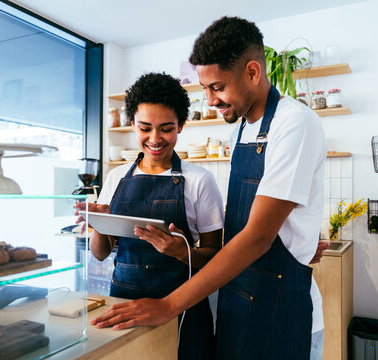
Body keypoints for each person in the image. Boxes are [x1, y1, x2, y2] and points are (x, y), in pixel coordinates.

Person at [91, 16, 328, 360]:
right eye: (205, 88)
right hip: (238, 300)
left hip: (280, 306)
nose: (210, 100)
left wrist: (169, 304)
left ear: (252, 72)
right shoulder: (242, 130)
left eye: (217, 87)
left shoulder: (294, 123)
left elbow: (259, 237)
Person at [76, 72, 224, 359]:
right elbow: (100, 254)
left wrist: (183, 252)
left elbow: (216, 258)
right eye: (145, 128)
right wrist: (100, 225)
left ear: (181, 126)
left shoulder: (200, 181)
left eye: (166, 129)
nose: (155, 139)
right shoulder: (117, 177)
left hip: (182, 305)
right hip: (122, 301)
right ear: (132, 124)